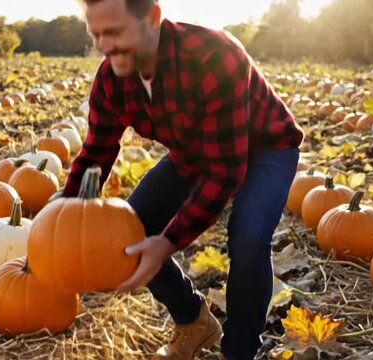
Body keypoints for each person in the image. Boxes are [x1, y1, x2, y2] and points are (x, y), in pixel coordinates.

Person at [58, 0, 305, 359]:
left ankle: (239, 351)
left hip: (267, 149)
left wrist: (169, 241)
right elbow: (96, 153)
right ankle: (194, 321)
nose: (104, 46)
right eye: (96, 34)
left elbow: (225, 171)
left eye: (114, 32)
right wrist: (63, 215)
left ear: (153, 18)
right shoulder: (111, 78)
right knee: (132, 229)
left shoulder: (213, 56)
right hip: (195, 153)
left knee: (249, 237)